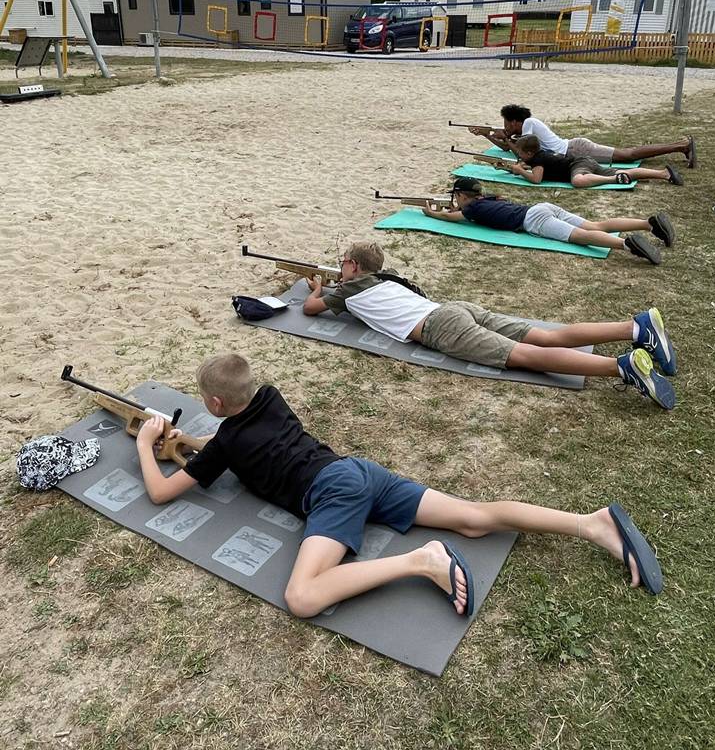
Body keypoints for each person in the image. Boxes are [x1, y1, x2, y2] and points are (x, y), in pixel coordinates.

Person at [135, 352, 664, 623]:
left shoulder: (226, 441)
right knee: (475, 518)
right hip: (358, 472)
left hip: (331, 494)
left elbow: (162, 493)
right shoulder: (268, 399)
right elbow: (236, 439)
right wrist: (193, 440)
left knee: (301, 597)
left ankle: (423, 562)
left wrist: (148, 444)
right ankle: (589, 523)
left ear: (216, 404)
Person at [303, 242, 677, 409]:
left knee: (527, 356)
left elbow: (309, 309)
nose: (341, 266)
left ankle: (621, 367)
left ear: (352, 266)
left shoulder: (346, 292)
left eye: (343, 262)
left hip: (438, 327)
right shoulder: (388, 276)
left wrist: (321, 285)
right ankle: (634, 327)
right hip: (454, 308)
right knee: (548, 336)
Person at [421, 176, 673, 265]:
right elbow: (459, 210)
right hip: (542, 207)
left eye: (456, 197)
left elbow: (449, 217)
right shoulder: (487, 199)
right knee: (596, 225)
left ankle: (627, 245)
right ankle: (649, 224)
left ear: (462, 196)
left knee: (582, 237)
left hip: (534, 220)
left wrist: (431, 212)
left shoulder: (472, 209)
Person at [470, 104, 696, 170]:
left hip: (576, 150)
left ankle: (681, 145)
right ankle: (680, 145)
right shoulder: (525, 128)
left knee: (628, 155)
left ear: (514, 121)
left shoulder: (529, 124)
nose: (505, 127)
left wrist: (503, 137)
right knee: (628, 154)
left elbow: (520, 151)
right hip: (572, 152)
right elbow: (510, 149)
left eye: (506, 124)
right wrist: (487, 135)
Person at [505, 134, 684, 189]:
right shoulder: (540, 156)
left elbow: (537, 179)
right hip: (584, 162)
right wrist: (520, 167)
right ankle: (664, 173)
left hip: (578, 166)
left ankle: (614, 180)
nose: (519, 155)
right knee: (622, 172)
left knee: (577, 181)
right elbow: (538, 167)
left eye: (520, 153)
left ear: (529, 153)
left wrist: (520, 171)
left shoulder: (538, 160)